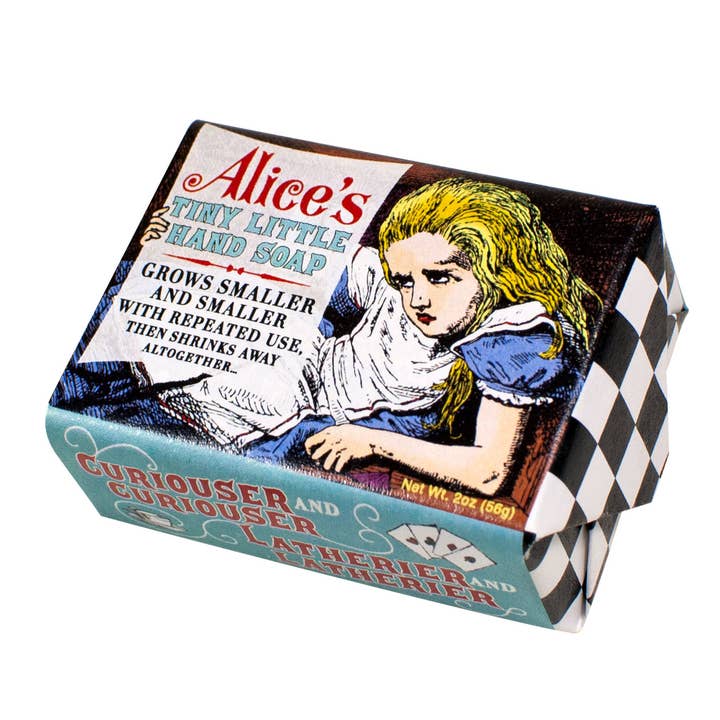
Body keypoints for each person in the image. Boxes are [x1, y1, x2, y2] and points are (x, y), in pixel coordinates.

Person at [303, 178, 600, 496]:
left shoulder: (511, 341)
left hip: (343, 423)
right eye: (405, 282)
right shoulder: (400, 275)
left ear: (495, 271)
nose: (418, 300)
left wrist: (372, 442)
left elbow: (487, 473)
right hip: (307, 374)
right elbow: (315, 288)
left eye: (440, 278)